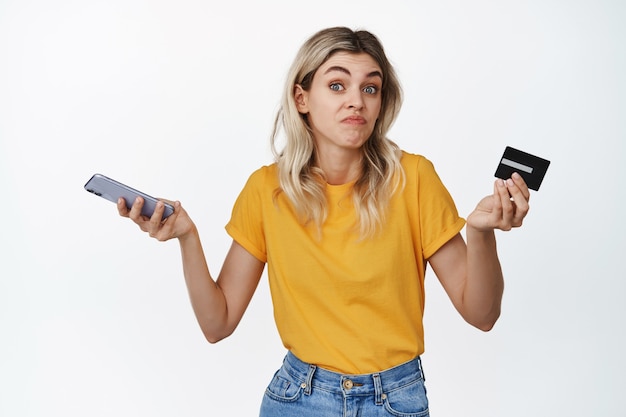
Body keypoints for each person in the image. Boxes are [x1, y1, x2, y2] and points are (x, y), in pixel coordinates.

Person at [118, 26, 530, 417]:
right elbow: (217, 323)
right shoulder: (267, 191)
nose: (357, 101)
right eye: (337, 86)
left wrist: (481, 234)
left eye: (370, 88)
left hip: (394, 399)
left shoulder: (415, 179)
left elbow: (483, 315)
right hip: (298, 398)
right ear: (302, 98)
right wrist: (187, 237)